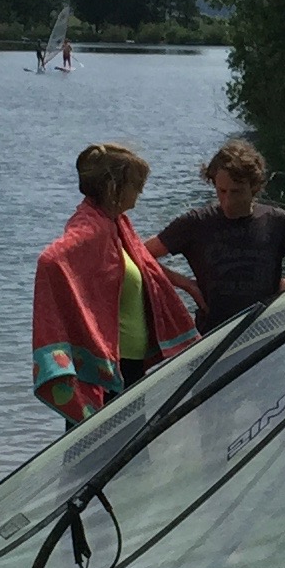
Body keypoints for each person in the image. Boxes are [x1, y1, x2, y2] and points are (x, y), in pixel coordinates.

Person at [31, 141, 196, 423]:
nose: (140, 192)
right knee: (104, 444)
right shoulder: (90, 229)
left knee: (130, 443)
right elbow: (51, 259)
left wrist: (185, 283)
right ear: (113, 188)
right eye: (136, 185)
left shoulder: (117, 224)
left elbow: (142, 263)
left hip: (129, 364)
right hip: (107, 369)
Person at [152, 137, 285, 330]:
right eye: (221, 191)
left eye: (236, 192)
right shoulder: (195, 223)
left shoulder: (276, 221)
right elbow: (139, 254)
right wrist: (186, 285)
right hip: (213, 334)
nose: (228, 201)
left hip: (264, 330)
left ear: (254, 187)